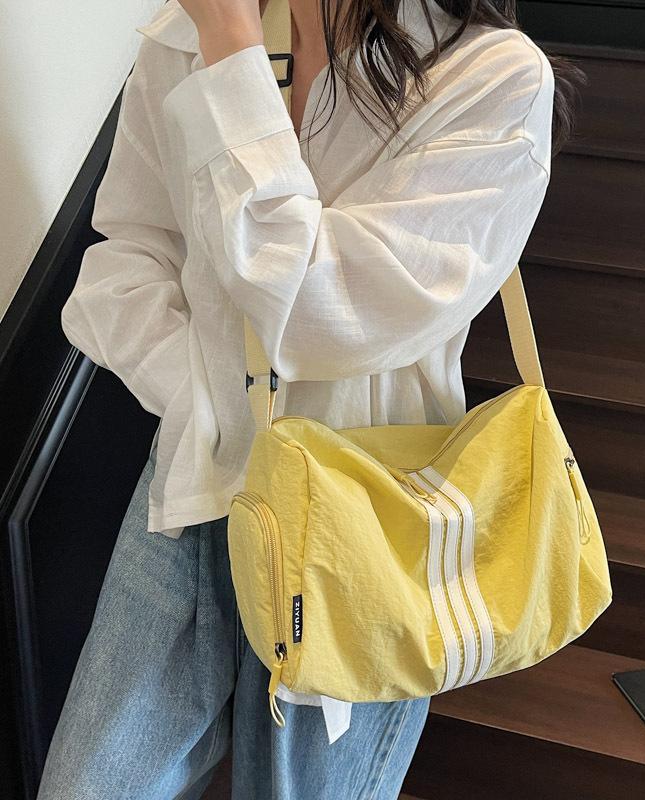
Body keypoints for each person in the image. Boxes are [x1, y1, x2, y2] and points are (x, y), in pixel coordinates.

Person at [38, 0, 582, 796]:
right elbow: (129, 255)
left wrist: (231, 49)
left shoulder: (489, 78)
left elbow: (317, 309)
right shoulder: (183, 36)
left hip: (367, 525)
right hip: (197, 489)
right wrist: (202, 403)